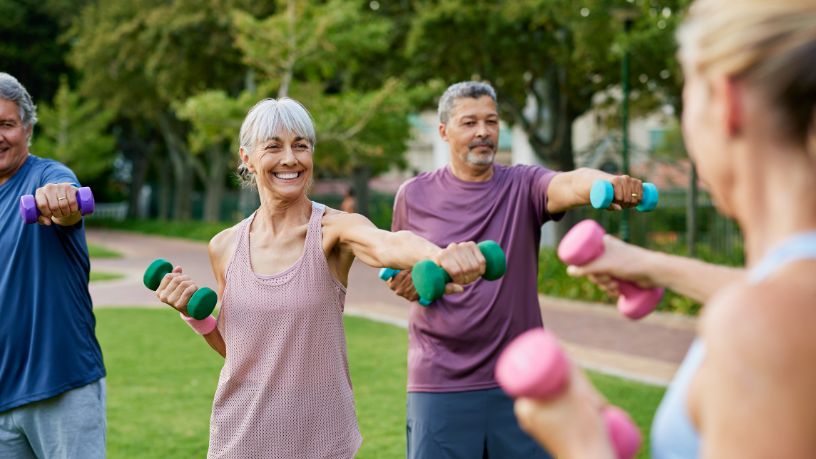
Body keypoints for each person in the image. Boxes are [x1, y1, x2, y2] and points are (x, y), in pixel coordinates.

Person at [513, 1, 816, 457]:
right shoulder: (787, 299)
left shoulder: (761, 328)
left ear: (725, 101)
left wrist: (581, 441)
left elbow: (773, 314)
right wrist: (649, 265)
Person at [154, 97, 487, 459]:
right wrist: (194, 313)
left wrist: (442, 255)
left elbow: (389, 243)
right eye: (274, 147)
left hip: (321, 442)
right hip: (239, 439)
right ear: (247, 158)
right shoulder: (224, 246)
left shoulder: (334, 231)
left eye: (301, 146)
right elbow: (240, 354)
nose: (290, 159)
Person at [385, 80, 647, 459]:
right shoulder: (413, 195)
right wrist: (411, 283)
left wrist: (605, 183)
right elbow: (398, 274)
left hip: (522, 379)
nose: (483, 132)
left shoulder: (523, 184)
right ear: (443, 131)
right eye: (469, 122)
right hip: (439, 380)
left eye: (491, 122)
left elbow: (569, 182)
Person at [0, 73, 106, 458]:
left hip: (60, 386)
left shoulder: (46, 175)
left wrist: (61, 199)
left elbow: (66, 201)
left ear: (27, 129)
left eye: (6, 125)